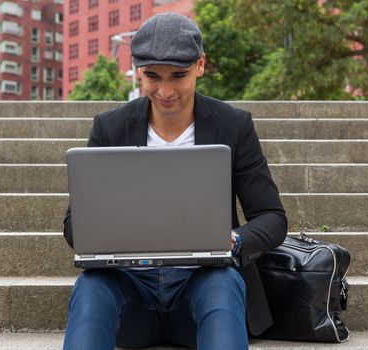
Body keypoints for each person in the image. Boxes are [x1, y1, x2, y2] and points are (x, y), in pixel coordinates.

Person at [62, 12, 287, 350]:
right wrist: (103, 233)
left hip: (203, 291)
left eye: (178, 76)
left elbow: (272, 217)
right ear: (138, 69)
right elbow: (72, 225)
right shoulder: (110, 127)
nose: (165, 91)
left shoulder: (233, 125)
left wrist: (234, 241)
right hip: (130, 295)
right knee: (91, 286)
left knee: (223, 282)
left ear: (200, 65)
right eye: (152, 76)